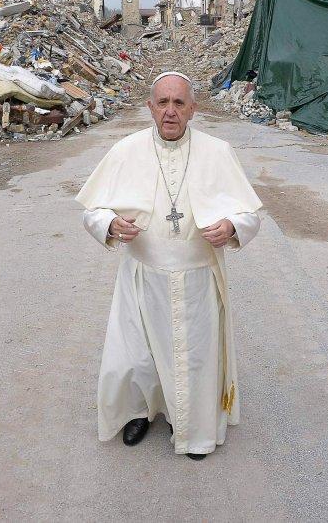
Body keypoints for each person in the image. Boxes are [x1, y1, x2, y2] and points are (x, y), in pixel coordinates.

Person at [76, 71, 262, 460]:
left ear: (193, 109)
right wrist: (109, 223)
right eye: (163, 102)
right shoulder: (126, 150)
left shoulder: (217, 152)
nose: (170, 111)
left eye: (179, 103)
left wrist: (231, 225)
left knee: (193, 357)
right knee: (138, 354)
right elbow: (92, 210)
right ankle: (140, 412)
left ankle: (193, 429)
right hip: (142, 275)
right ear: (150, 107)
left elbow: (250, 215)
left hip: (198, 279)